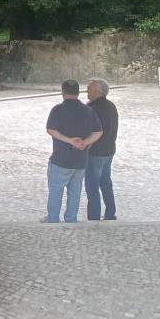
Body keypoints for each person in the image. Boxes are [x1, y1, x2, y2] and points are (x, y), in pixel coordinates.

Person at [43, 79, 103, 224]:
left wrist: (69, 140)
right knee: (75, 192)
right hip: (80, 160)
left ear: (63, 92)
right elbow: (99, 132)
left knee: (56, 190)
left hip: (60, 159)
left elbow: (51, 129)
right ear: (78, 92)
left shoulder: (57, 110)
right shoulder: (88, 110)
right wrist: (84, 142)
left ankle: (52, 219)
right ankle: (71, 219)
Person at [84, 78, 119, 221]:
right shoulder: (111, 106)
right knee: (105, 183)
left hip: (95, 152)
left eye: (89, 89)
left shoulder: (92, 108)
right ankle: (110, 213)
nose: (87, 91)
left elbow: (90, 131)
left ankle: (94, 216)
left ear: (96, 91)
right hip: (109, 150)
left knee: (92, 186)